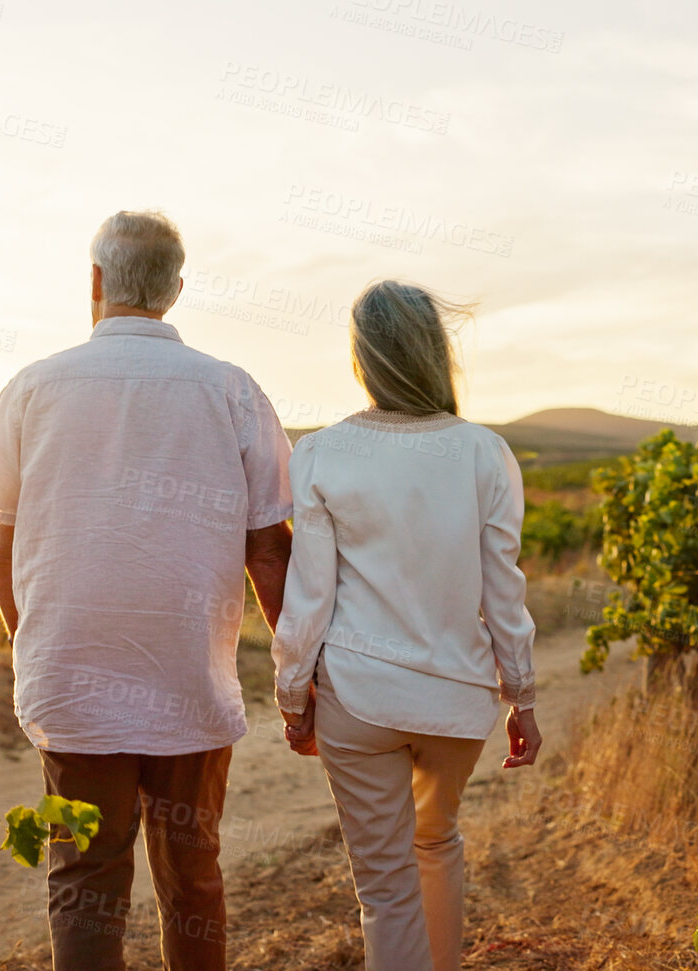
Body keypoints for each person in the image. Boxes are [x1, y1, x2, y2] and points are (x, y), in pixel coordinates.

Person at [0, 210, 295, 971]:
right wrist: (297, 671)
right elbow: (270, 551)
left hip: (71, 679)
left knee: (84, 877)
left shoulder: (29, 389)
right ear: (175, 290)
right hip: (189, 676)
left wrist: (33, 647)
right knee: (191, 877)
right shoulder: (232, 389)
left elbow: (1, 541)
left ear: (94, 280)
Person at [271, 279, 542, 971]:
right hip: (457, 698)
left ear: (361, 359)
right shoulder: (485, 452)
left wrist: (292, 696)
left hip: (357, 695)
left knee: (385, 887)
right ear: (434, 352)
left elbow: (309, 596)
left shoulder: (320, 453)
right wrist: (523, 696)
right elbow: (503, 593)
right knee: (438, 842)